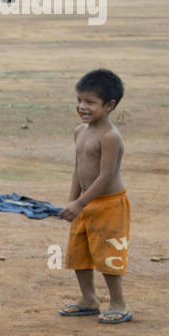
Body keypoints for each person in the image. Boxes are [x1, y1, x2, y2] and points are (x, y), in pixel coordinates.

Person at [58, 68, 131, 323]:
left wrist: (79, 203)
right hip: (84, 203)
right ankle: (88, 299)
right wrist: (72, 201)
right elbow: (78, 169)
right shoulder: (80, 132)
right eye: (79, 100)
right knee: (80, 253)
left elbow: (106, 176)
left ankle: (118, 302)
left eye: (90, 102)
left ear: (109, 105)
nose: (82, 107)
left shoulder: (111, 137)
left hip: (109, 205)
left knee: (107, 253)